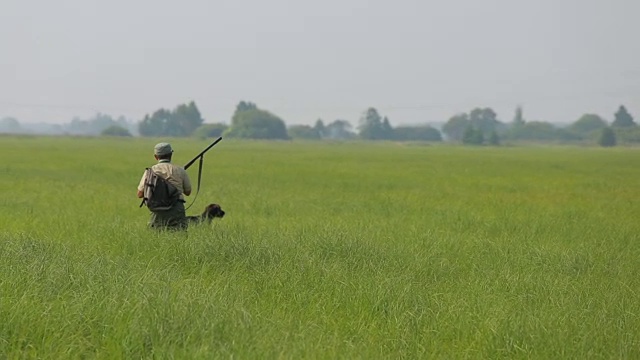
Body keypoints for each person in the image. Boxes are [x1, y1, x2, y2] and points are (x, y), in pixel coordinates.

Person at [137, 142, 192, 230]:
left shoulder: (150, 171)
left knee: (156, 236)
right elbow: (188, 192)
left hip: (157, 209)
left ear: (156, 157)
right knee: (179, 235)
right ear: (171, 154)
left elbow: (140, 194)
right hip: (176, 208)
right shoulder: (180, 170)